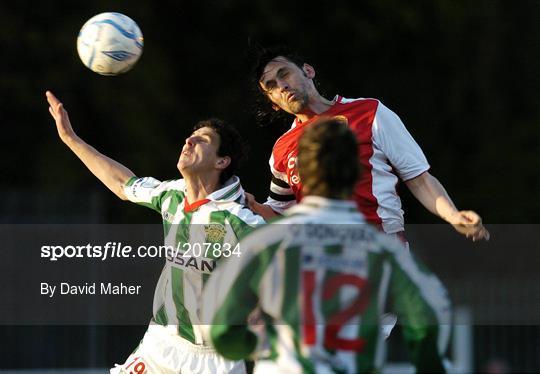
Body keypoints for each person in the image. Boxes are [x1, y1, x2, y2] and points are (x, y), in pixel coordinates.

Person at [203, 118, 451, 373]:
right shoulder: (386, 251)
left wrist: (258, 345)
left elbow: (220, 328)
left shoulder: (265, 242)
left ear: (300, 176)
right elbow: (429, 319)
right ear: (357, 173)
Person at [45, 91, 264, 373]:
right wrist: (70, 138)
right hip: (162, 343)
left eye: (203, 140)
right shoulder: (171, 195)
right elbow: (123, 183)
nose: (189, 141)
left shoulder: (239, 220)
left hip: (216, 360)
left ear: (222, 162)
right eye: (191, 135)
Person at [247, 46, 489, 242]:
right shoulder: (281, 149)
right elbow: (280, 211)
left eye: (284, 74)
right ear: (274, 104)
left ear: (308, 71)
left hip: (381, 247)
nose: (282, 86)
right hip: (321, 259)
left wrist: (453, 215)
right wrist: (249, 204)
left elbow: (419, 179)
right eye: (271, 87)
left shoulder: (369, 112)